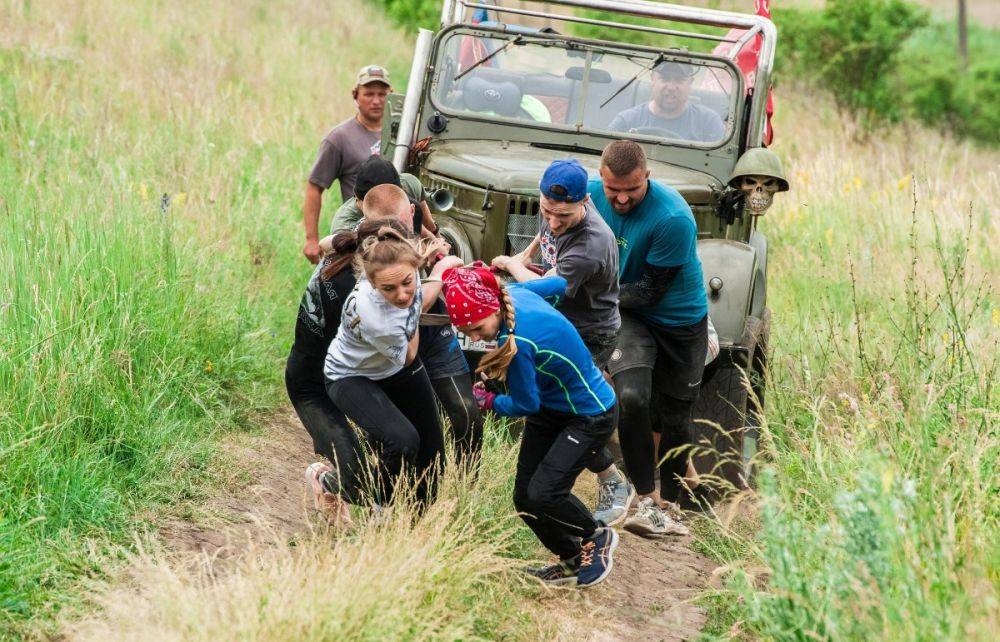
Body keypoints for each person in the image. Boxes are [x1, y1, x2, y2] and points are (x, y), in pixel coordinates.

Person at [442, 265, 619, 588]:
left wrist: (487, 401)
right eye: (467, 332)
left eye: (478, 328)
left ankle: (597, 534)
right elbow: (559, 284)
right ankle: (571, 560)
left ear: (493, 307)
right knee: (525, 499)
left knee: (545, 494)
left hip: (589, 415)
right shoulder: (514, 293)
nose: (476, 337)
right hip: (552, 410)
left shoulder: (519, 342)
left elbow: (525, 404)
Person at [490, 159, 635, 526]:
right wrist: (525, 254)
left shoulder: (592, 243)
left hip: (589, 330)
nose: (553, 222)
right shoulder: (553, 209)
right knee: (554, 408)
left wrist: (510, 265)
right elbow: (544, 239)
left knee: (572, 411)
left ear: (585, 201)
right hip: (558, 323)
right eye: (546, 211)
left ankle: (612, 482)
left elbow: (546, 288)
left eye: (563, 216)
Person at [588, 140, 709, 538]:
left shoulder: (673, 217)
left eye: (632, 190)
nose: (621, 198)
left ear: (647, 178)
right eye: (613, 189)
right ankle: (645, 498)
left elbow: (649, 292)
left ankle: (670, 504)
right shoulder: (589, 197)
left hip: (678, 319)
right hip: (629, 316)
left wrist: (588, 293)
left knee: (675, 414)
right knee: (634, 397)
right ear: (601, 177)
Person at [324, 220, 463, 506]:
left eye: (407, 282)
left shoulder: (401, 270)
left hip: (395, 367)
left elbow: (413, 286)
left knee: (433, 459)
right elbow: (411, 355)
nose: (401, 294)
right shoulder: (375, 317)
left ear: (414, 268)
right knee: (402, 441)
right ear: (371, 283)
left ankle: (415, 528)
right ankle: (376, 505)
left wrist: (431, 265)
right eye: (388, 288)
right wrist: (432, 277)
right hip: (351, 376)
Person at [352, 184, 484, 467]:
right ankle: (387, 486)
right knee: (390, 425)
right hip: (390, 340)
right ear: (369, 223)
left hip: (432, 334)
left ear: (411, 212)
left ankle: (466, 485)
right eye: (387, 226)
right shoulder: (361, 247)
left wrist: (438, 250)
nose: (396, 231)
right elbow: (406, 306)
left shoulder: (413, 223)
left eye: (402, 222)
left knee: (465, 411)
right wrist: (439, 271)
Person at [302, 65, 391, 263]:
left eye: (382, 94)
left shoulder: (403, 133)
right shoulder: (339, 138)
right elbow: (314, 188)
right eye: (368, 94)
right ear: (355, 95)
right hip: (359, 234)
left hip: (399, 229)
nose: (376, 101)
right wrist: (311, 240)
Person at [608, 61, 725, 144]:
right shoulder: (626, 121)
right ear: (653, 79)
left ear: (690, 83)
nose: (671, 87)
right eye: (665, 79)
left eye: (679, 80)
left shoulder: (709, 123)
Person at [329, 156, 442, 241]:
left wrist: (436, 237)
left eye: (392, 199)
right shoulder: (344, 227)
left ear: (402, 188)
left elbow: (426, 221)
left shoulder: (411, 184)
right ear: (357, 198)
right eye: (375, 203)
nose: (386, 208)